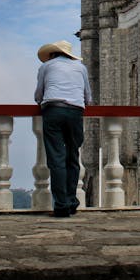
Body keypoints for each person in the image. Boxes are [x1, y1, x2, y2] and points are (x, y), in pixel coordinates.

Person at [34, 39, 92, 217]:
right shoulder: (81, 68)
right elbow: (88, 97)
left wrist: (41, 101)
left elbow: (39, 94)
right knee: (72, 157)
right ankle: (72, 201)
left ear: (52, 55)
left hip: (54, 110)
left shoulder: (46, 67)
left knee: (56, 159)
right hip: (75, 112)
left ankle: (61, 205)